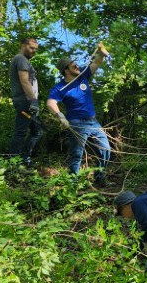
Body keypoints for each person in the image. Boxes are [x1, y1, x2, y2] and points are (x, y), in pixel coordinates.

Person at [46, 43, 111, 185]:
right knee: (76, 155)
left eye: (76, 63)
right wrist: (60, 117)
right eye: (73, 65)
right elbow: (50, 103)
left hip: (93, 122)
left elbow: (97, 62)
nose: (76, 66)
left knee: (105, 149)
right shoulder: (60, 88)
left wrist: (101, 52)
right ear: (66, 70)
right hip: (76, 123)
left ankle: (99, 179)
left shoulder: (82, 75)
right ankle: (72, 183)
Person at [9, 37, 43, 166]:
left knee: (37, 131)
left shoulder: (23, 60)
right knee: (21, 131)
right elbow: (24, 81)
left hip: (27, 102)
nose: (34, 51)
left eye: (36, 49)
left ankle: (24, 159)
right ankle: (14, 163)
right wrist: (33, 100)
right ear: (23, 45)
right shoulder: (21, 59)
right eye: (31, 48)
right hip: (25, 102)